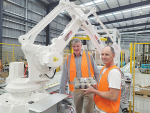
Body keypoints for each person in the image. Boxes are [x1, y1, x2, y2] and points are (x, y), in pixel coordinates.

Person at [59, 38, 100, 113]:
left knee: (89, 110)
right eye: (74, 46)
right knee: (78, 111)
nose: (76, 48)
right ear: (72, 47)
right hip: (75, 91)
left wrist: (98, 86)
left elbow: (96, 72)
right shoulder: (68, 59)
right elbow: (64, 76)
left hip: (89, 88)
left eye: (77, 46)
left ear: (81, 46)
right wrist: (61, 92)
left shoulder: (88, 56)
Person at [82, 46, 122, 113]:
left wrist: (94, 91)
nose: (103, 57)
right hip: (100, 107)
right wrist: (93, 86)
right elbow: (103, 86)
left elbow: (113, 96)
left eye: (107, 54)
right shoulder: (104, 68)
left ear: (113, 55)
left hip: (108, 110)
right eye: (102, 54)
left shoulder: (114, 73)